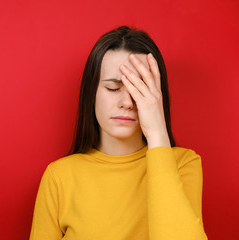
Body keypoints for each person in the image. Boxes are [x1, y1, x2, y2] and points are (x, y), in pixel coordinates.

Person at [29, 26, 208, 240]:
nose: (126, 103)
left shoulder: (183, 164)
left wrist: (158, 134)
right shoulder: (59, 177)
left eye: (139, 89)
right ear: (91, 93)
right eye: (113, 88)